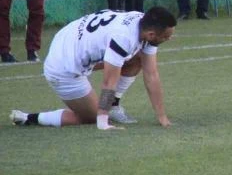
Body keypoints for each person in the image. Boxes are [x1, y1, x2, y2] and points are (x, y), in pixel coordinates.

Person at [10, 7, 176, 129]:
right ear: (152, 34)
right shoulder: (124, 37)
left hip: (70, 40)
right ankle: (29, 118)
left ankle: (113, 105)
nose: (169, 39)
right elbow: (109, 82)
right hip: (63, 66)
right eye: (166, 36)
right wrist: (102, 121)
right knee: (90, 117)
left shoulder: (142, 24)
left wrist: (162, 116)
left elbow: (151, 74)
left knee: (137, 58)